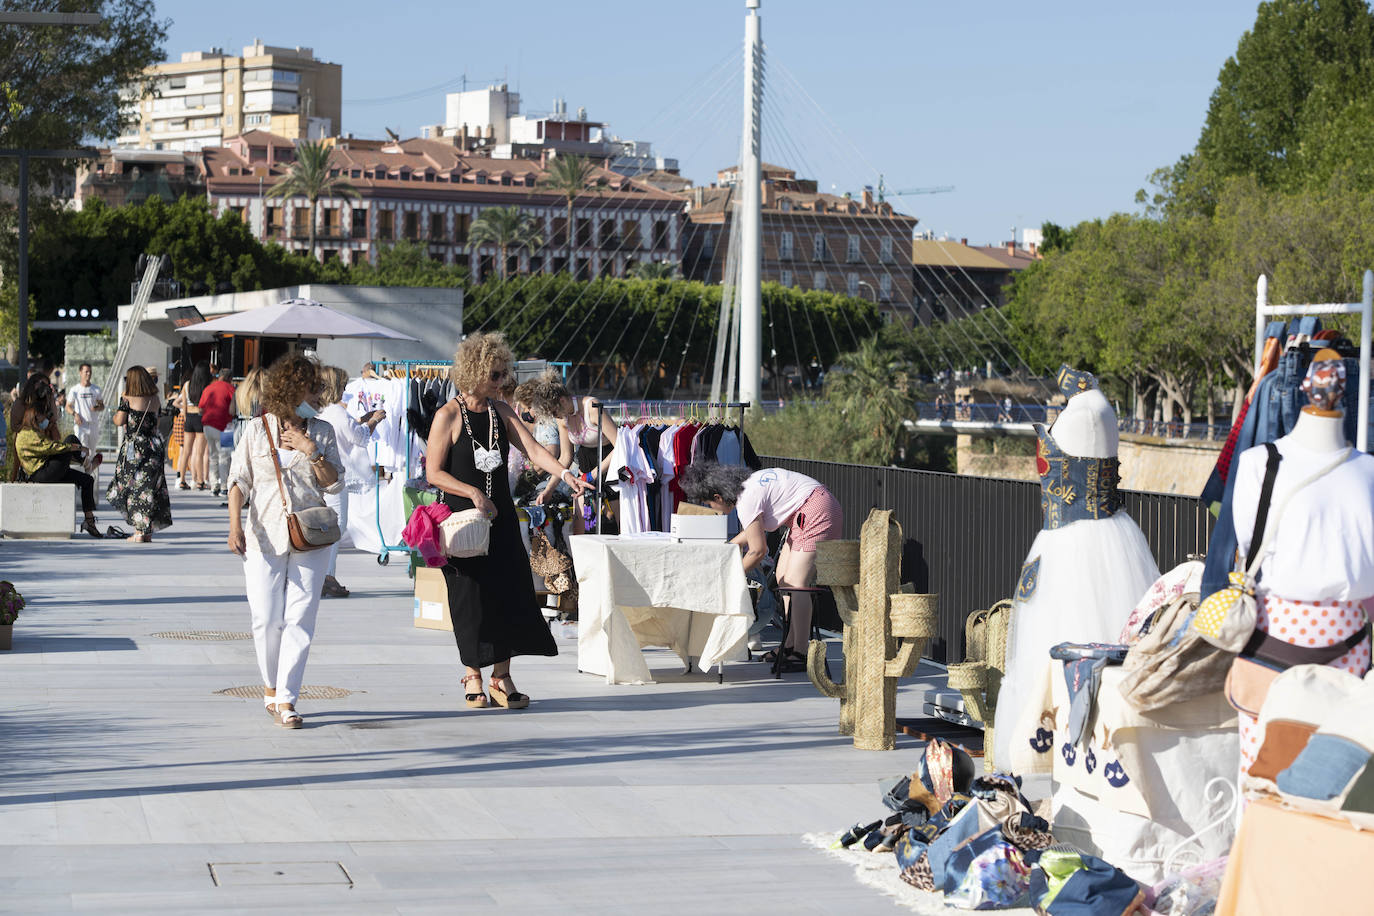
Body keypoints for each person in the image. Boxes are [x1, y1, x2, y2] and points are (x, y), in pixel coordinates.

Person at [425, 332, 591, 710]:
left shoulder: (501, 412)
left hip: (498, 517)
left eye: (503, 374)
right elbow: (433, 472)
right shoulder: (448, 415)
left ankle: (501, 675)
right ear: (475, 372)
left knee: (511, 591)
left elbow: (533, 450)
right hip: (463, 519)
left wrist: (565, 476)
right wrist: (472, 493)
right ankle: (472, 673)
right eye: (496, 375)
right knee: (469, 598)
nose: (503, 382)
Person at [226, 354, 343, 729]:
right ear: (291, 390)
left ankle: (287, 698)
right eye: (310, 387)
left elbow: (334, 483)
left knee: (300, 618)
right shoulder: (257, 431)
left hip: (311, 536)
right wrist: (234, 526)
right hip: (263, 535)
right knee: (265, 619)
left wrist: (311, 450)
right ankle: (270, 685)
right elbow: (237, 480)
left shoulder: (322, 431)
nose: (316, 393)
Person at [678, 461, 844, 671]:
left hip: (816, 511)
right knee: (784, 579)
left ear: (718, 497)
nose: (711, 508)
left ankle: (801, 653)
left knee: (796, 583)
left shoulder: (746, 500)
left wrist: (730, 575)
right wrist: (729, 547)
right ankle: (790, 644)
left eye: (709, 503)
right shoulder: (747, 487)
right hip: (814, 506)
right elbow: (752, 533)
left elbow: (758, 551)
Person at [317, 365, 385, 599]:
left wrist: (362, 420)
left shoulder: (321, 411)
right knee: (336, 526)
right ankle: (327, 576)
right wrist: (374, 420)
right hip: (336, 476)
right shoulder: (336, 411)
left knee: (327, 526)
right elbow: (358, 436)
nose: (346, 388)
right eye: (343, 384)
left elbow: (347, 429)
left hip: (321, 475)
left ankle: (324, 575)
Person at [12, 389, 103, 538]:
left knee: (87, 480)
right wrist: (79, 448)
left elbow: (50, 449)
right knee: (71, 440)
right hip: (41, 474)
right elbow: (51, 447)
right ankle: (88, 464)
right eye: (43, 417)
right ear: (35, 415)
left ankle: (89, 521)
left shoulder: (34, 432)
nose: (45, 420)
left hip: (48, 469)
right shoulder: (26, 434)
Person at [107, 366, 172, 542]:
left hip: (134, 448)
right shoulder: (155, 399)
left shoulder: (126, 398)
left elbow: (119, 421)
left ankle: (139, 532)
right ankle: (146, 531)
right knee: (150, 489)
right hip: (153, 446)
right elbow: (156, 424)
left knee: (133, 487)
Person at [512, 370, 575, 505]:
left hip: (559, 476)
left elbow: (554, 453)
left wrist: (530, 478)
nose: (526, 413)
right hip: (562, 474)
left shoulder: (548, 420)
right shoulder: (554, 417)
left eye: (527, 408)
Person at [173, 360, 212, 490]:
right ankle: (200, 481)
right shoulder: (207, 386)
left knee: (186, 452)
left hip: (188, 418)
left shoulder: (186, 385)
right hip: (201, 417)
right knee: (199, 452)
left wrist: (185, 418)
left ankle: (182, 480)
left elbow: (183, 405)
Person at [199, 368, 237, 497]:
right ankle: (224, 486)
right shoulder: (230, 388)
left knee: (212, 455)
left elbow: (201, 408)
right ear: (230, 378)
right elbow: (234, 407)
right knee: (224, 457)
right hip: (225, 426)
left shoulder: (209, 388)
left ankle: (213, 485)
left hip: (207, 426)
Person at [64, 362, 105, 475]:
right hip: (81, 426)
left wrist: (97, 407)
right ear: (80, 373)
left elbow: (102, 405)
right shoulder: (75, 390)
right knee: (82, 451)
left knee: (91, 452)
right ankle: (84, 473)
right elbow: (68, 406)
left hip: (93, 424)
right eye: (86, 372)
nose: (88, 374)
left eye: (90, 372)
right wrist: (75, 414)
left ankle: (89, 473)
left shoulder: (96, 389)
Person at [233, 367, 264, 447]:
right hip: (255, 429)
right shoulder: (261, 394)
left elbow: (231, 411)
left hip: (239, 427)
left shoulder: (239, 391)